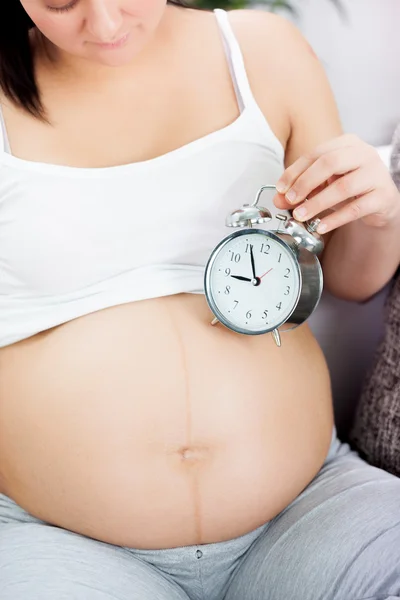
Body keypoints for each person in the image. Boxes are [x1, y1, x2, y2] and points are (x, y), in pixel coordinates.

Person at [0, 1, 399, 599]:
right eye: (60, 1)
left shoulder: (265, 51)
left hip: (313, 508)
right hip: (63, 541)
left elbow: (349, 280)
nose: (106, 24)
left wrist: (380, 210)